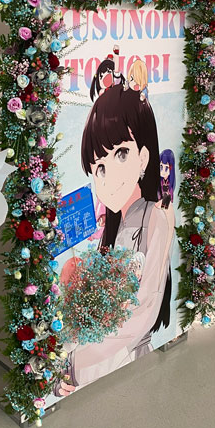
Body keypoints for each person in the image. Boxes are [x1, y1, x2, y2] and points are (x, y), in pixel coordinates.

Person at [56, 85, 174, 396]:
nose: (109, 177)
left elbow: (144, 309)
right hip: (98, 362)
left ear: (143, 157)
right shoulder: (112, 228)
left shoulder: (155, 219)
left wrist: (75, 364)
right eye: (99, 168)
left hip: (126, 363)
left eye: (121, 153)